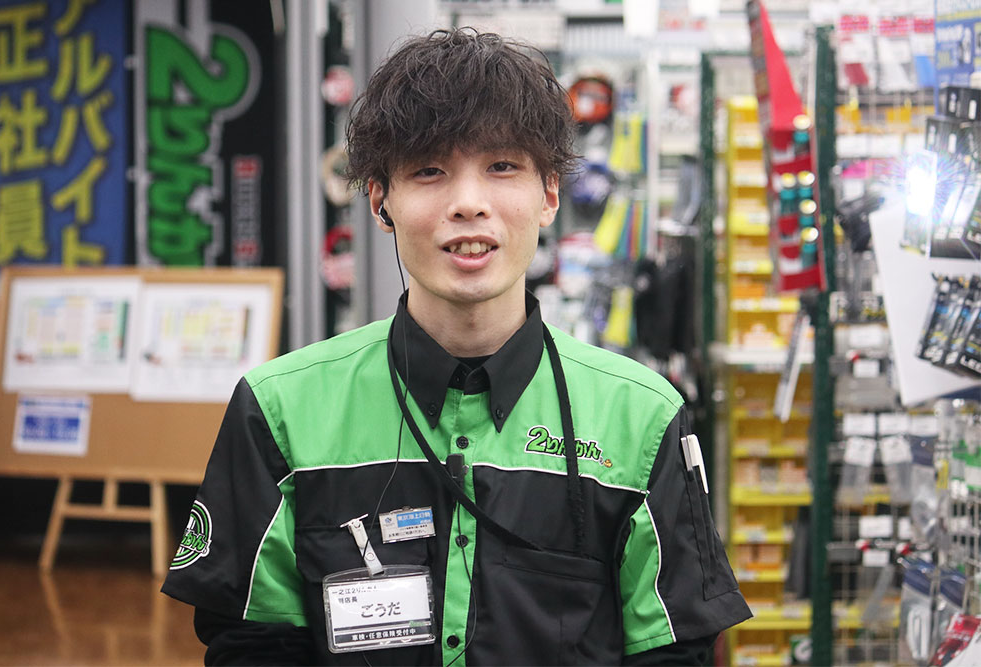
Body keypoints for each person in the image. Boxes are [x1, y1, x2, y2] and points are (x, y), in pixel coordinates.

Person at [162, 27, 751, 666]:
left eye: (502, 167)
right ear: (380, 200)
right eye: (429, 171)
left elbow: (675, 652)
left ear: (549, 194)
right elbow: (251, 645)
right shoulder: (280, 411)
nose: (469, 203)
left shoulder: (641, 418)